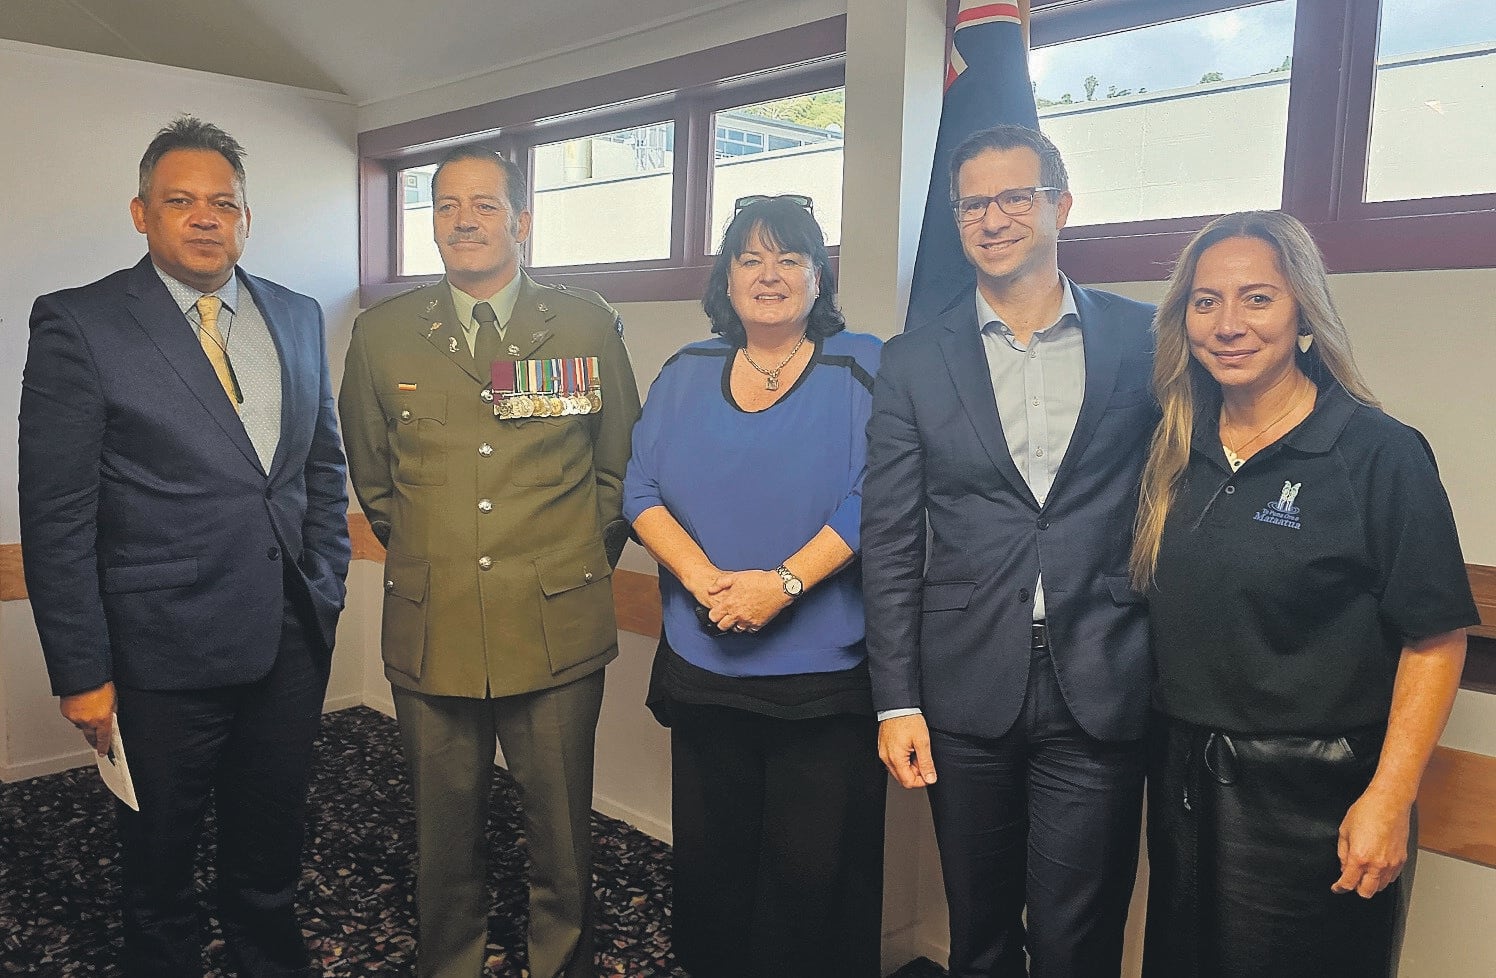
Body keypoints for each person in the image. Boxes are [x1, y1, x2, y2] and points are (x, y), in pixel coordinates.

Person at [17, 116, 351, 978]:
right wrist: (81, 672)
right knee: (158, 862)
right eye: (180, 201)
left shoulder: (298, 314)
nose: (205, 219)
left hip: (287, 640)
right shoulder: (79, 324)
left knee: (272, 843)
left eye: (223, 203)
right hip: (155, 655)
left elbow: (319, 465)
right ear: (141, 213)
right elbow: (56, 515)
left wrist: (326, 584)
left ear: (247, 218)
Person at [1131, 210, 1478, 978]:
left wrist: (1388, 799)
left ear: (1305, 316)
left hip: (1318, 794)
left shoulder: (1377, 453)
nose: (1228, 325)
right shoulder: (1172, 448)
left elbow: (1435, 637)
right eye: (1205, 300)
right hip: (1185, 779)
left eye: (1257, 299)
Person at [862, 124, 1156, 978]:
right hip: (963, 686)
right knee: (980, 931)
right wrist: (894, 700)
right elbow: (887, 537)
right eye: (973, 204)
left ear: (1060, 205)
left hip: (1099, 680)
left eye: (1014, 197)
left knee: (1078, 939)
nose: (993, 219)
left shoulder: (1144, 341)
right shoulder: (912, 361)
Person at [339, 146, 640, 978]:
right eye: (445, 206)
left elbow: (617, 469)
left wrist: (569, 566)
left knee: (562, 836)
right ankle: (452, 964)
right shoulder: (383, 335)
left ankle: (562, 964)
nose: (463, 220)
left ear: (522, 221)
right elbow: (376, 480)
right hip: (432, 625)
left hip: (554, 624)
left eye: (483, 205)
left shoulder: (582, 325)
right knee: (443, 834)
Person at [622, 194, 886, 978]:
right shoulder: (685, 371)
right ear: (726, 278)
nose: (769, 274)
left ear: (817, 276)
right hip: (704, 668)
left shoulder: (864, 364)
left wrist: (783, 583)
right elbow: (639, 489)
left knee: (811, 881)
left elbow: (882, 493)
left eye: (790, 257)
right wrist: (703, 580)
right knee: (712, 872)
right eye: (750, 258)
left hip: (821, 680)